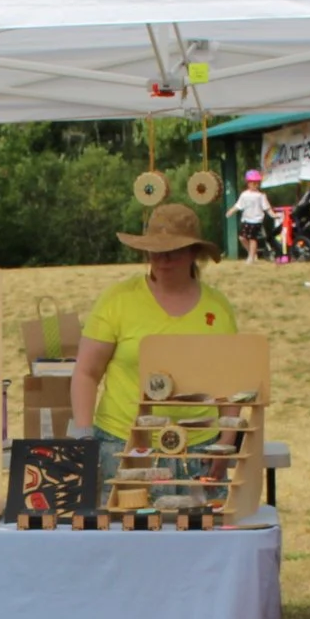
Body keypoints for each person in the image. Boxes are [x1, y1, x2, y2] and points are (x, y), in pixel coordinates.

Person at [69, 203, 237, 475]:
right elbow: (86, 372)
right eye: (155, 251)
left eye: (173, 252)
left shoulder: (218, 308)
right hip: (120, 444)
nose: (163, 260)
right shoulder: (117, 300)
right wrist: (85, 437)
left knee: (198, 520)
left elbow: (230, 384)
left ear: (194, 252)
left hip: (200, 447)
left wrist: (226, 443)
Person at [228, 170, 279, 263]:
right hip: (246, 220)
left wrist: (273, 215)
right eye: (252, 183)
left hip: (256, 221)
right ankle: (251, 253)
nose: (255, 185)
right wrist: (231, 211)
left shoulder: (261, 196)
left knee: (252, 238)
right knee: (242, 238)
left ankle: (251, 258)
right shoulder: (244, 195)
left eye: (256, 183)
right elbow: (238, 205)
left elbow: (267, 207)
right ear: (248, 183)